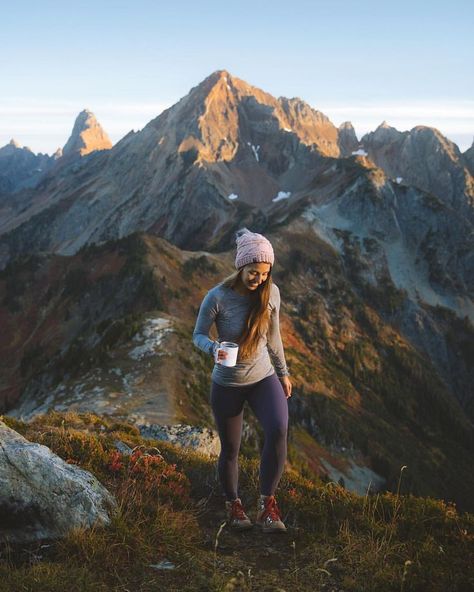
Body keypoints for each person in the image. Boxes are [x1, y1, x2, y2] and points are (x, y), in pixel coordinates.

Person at [192, 228, 292, 533]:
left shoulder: (271, 293)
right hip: (227, 382)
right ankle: (233, 505)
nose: (258, 279)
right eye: (253, 272)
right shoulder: (217, 297)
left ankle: (267, 506)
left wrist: (283, 372)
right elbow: (197, 335)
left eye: (264, 273)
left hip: (263, 377)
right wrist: (214, 348)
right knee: (231, 449)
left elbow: (274, 338)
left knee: (278, 429)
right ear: (240, 266)